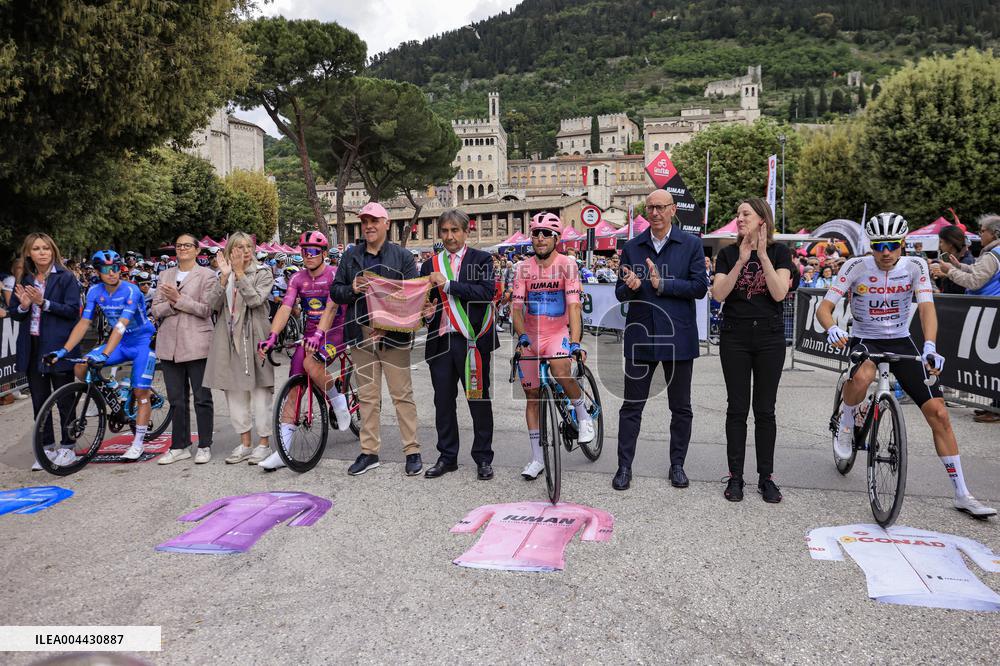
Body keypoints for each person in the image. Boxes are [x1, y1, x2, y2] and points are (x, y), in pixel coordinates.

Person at [817, 212, 996, 518]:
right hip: (865, 338)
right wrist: (832, 327)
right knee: (863, 376)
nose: (885, 252)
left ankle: (962, 493)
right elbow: (825, 307)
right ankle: (847, 423)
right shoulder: (855, 266)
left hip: (901, 339)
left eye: (892, 245)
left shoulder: (914, 267)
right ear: (871, 246)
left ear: (903, 244)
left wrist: (929, 346)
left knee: (939, 413)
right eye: (878, 245)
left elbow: (927, 307)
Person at [613, 189, 709, 491]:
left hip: (677, 337)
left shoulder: (691, 244)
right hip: (641, 337)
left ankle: (677, 465)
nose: (654, 212)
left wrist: (661, 283)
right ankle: (624, 467)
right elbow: (619, 292)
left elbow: (699, 287)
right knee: (631, 406)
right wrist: (630, 286)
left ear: (673, 209)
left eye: (660, 207)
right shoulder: (632, 247)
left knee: (680, 407)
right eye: (650, 207)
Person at [711, 199, 794, 503]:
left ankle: (766, 478)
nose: (739, 218)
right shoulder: (728, 253)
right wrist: (741, 261)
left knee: (765, 410)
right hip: (735, 336)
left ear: (763, 220)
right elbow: (718, 294)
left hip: (770, 337)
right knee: (736, 408)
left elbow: (779, 292)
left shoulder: (780, 252)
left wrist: (761, 255)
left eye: (746, 214)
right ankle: (736, 477)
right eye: (738, 214)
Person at [331, 201, 423, 477]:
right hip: (361, 337)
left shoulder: (403, 257)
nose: (368, 226)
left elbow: (411, 296)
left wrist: (389, 324)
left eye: (374, 221)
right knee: (368, 398)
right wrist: (351, 288)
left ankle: (412, 451)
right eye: (364, 222)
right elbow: (336, 292)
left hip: (393, 339)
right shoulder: (350, 257)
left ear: (386, 224)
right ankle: (369, 453)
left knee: (402, 396)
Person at [45, 250, 156, 462]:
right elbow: (84, 323)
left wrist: (104, 354)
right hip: (120, 343)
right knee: (80, 367)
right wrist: (63, 351)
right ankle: (110, 388)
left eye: (115, 268)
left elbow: (122, 325)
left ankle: (138, 443)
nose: (112, 273)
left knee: (141, 393)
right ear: (98, 272)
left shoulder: (132, 291)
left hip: (141, 342)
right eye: (106, 269)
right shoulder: (95, 291)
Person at [257, 231, 350, 471]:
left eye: (313, 252)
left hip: (335, 332)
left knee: (311, 364)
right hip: (310, 335)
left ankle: (338, 401)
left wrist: (320, 334)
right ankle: (283, 451)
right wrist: (271, 337)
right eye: (304, 252)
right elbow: (285, 309)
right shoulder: (297, 279)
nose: (308, 256)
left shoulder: (334, 274)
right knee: (294, 389)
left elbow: (331, 307)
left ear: (324, 254)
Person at [511, 212, 594, 480]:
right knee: (531, 397)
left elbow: (573, 306)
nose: (540, 238)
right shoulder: (523, 268)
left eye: (546, 233)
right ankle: (537, 458)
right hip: (531, 336)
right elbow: (516, 309)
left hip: (556, 332)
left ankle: (582, 415)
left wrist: (575, 341)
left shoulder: (567, 265)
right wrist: (522, 336)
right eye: (536, 233)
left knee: (560, 369)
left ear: (556, 238)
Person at [419, 210, 498, 480]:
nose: (450, 236)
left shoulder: (481, 260)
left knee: (478, 400)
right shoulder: (430, 265)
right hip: (440, 342)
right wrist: (426, 313)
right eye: (444, 231)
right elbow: (426, 303)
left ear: (466, 232)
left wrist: (450, 285)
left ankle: (483, 457)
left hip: (471, 342)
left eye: (455, 230)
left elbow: (486, 293)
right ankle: (447, 456)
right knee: (443, 402)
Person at [203, 232, 276, 467]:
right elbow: (211, 306)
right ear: (229, 250)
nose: (244, 251)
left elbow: (255, 300)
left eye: (248, 246)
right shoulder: (224, 274)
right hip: (229, 339)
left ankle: (263, 444)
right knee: (234, 394)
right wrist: (225, 277)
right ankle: (245, 443)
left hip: (255, 338)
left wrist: (241, 274)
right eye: (238, 247)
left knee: (261, 393)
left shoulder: (263, 272)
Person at [9, 234, 80, 468]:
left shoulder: (66, 277)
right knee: (40, 401)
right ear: (28, 252)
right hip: (32, 347)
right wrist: (23, 306)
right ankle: (47, 447)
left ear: (53, 251)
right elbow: (16, 314)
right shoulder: (24, 278)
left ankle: (68, 447)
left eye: (46, 248)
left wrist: (43, 303)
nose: (42, 252)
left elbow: (72, 311)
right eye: (37, 249)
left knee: (64, 399)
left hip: (59, 346)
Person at [152, 233, 221, 465]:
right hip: (169, 343)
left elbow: (206, 309)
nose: (182, 249)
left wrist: (178, 299)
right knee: (176, 398)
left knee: (202, 397)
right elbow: (156, 309)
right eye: (179, 245)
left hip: (197, 343)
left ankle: (204, 444)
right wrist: (173, 303)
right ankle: (179, 444)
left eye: (187, 245)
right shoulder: (164, 274)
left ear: (197, 250)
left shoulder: (208, 276)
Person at [930, 214, 1000, 296]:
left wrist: (949, 271)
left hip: (985, 303)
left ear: (994, 233)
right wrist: (959, 266)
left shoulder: (992, 256)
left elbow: (974, 282)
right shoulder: (995, 252)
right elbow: (978, 270)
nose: (979, 235)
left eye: (982, 231)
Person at [930, 225, 974, 295]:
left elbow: (961, 289)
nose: (939, 245)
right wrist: (937, 276)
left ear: (950, 244)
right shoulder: (951, 258)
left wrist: (946, 274)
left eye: (941, 242)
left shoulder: (967, 261)